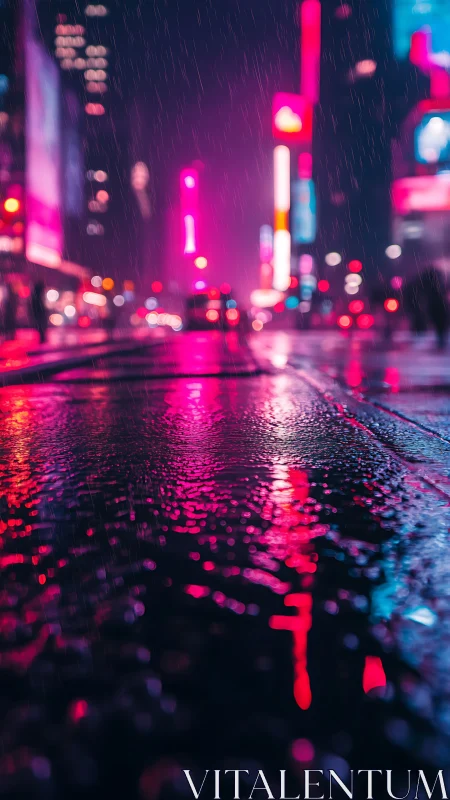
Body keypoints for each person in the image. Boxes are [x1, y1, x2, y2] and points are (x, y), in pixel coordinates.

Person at [421, 266, 449, 349]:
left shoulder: (430, 285)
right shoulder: (438, 285)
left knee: (439, 325)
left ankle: (440, 341)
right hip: (439, 307)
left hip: (436, 307)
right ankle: (441, 341)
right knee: (441, 325)